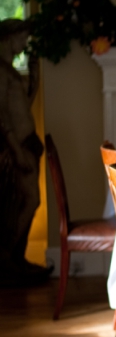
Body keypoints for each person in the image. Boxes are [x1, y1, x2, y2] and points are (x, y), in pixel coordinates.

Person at [0, 19, 48, 282]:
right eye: (22, 38)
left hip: (27, 142)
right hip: (17, 146)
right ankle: (7, 258)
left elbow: (22, 108)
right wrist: (16, 150)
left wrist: (36, 80)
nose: (24, 43)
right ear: (9, 37)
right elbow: (2, 116)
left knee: (26, 201)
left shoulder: (9, 70)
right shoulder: (0, 70)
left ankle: (16, 258)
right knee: (29, 200)